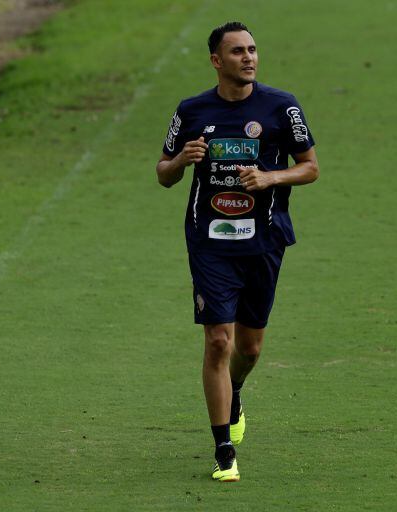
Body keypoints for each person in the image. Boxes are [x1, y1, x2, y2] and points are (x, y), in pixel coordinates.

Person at [155, 21, 318, 482]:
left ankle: (237, 390)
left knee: (249, 346)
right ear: (216, 61)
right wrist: (180, 162)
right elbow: (163, 174)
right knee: (218, 340)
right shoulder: (191, 111)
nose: (248, 58)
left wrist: (270, 176)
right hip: (210, 242)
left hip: (264, 240)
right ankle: (223, 447)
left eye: (252, 50)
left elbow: (310, 168)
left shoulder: (282, 108)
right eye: (237, 51)